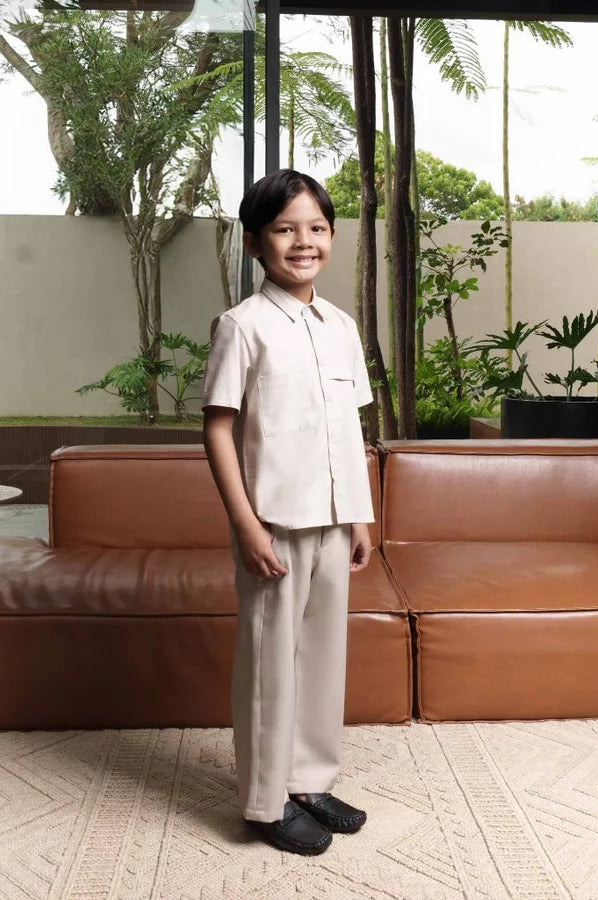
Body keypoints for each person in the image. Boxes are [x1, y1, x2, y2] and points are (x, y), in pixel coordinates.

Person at [201, 169, 375, 856]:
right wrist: (245, 526)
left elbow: (348, 428)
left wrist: (359, 513)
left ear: (331, 237)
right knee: (271, 664)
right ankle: (265, 802)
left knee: (322, 658)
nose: (302, 242)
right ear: (254, 243)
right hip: (273, 523)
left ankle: (307, 780)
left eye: (316, 227)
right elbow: (217, 429)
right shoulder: (242, 328)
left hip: (335, 520)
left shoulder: (340, 327)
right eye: (283, 228)